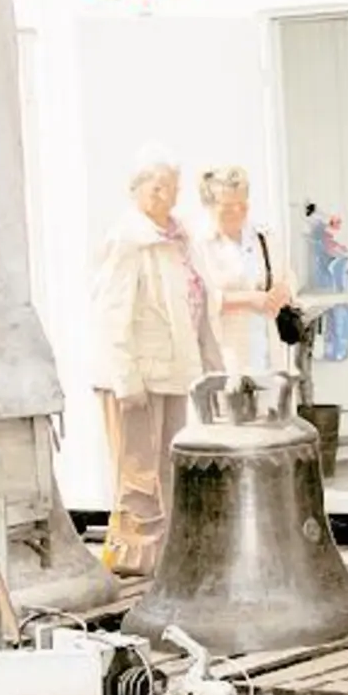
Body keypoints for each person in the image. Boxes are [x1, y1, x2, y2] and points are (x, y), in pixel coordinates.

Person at [89, 145, 220, 576]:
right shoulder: (128, 240)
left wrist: (210, 370)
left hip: (175, 372)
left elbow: (198, 306)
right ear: (138, 191)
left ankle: (166, 556)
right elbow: (112, 312)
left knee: (168, 466)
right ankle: (135, 560)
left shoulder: (179, 239)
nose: (165, 194)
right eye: (156, 186)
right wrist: (125, 378)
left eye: (171, 186)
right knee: (138, 472)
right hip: (138, 376)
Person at [193, 166, 298, 375]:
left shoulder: (264, 237)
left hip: (269, 353)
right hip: (225, 359)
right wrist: (248, 300)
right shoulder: (198, 246)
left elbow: (289, 276)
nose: (238, 211)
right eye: (229, 205)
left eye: (242, 203)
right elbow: (196, 300)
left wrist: (284, 291)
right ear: (210, 205)